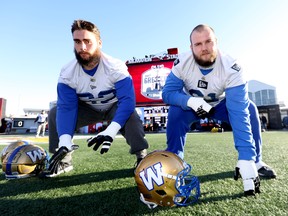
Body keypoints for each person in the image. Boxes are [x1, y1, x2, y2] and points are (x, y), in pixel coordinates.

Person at [162, 24, 276, 196]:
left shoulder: (232, 66)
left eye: (208, 42)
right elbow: (168, 93)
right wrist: (190, 101)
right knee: (176, 111)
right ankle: (175, 162)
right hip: (194, 106)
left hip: (222, 105)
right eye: (198, 44)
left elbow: (239, 112)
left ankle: (255, 161)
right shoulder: (182, 63)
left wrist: (246, 156)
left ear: (216, 42)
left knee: (250, 109)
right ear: (191, 47)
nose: (204, 48)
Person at [46, 19, 149, 177]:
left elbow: (127, 102)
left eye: (88, 41)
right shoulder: (67, 72)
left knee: (131, 115)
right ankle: (64, 160)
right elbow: (67, 107)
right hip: (88, 109)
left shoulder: (115, 66)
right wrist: (65, 140)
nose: (82, 47)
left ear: (99, 43)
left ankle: (141, 157)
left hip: (113, 107)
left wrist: (111, 130)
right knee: (54, 114)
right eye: (77, 42)